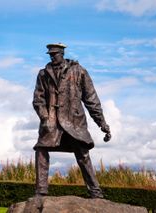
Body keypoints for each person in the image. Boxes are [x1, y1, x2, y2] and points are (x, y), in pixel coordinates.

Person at [32, 43, 111, 198]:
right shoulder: (43, 74)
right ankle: (41, 190)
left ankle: (95, 191)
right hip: (52, 122)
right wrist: (45, 117)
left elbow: (91, 99)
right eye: (50, 54)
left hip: (74, 121)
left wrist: (102, 123)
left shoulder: (79, 71)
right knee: (41, 149)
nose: (52, 57)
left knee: (82, 154)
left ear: (62, 53)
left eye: (55, 54)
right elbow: (38, 99)